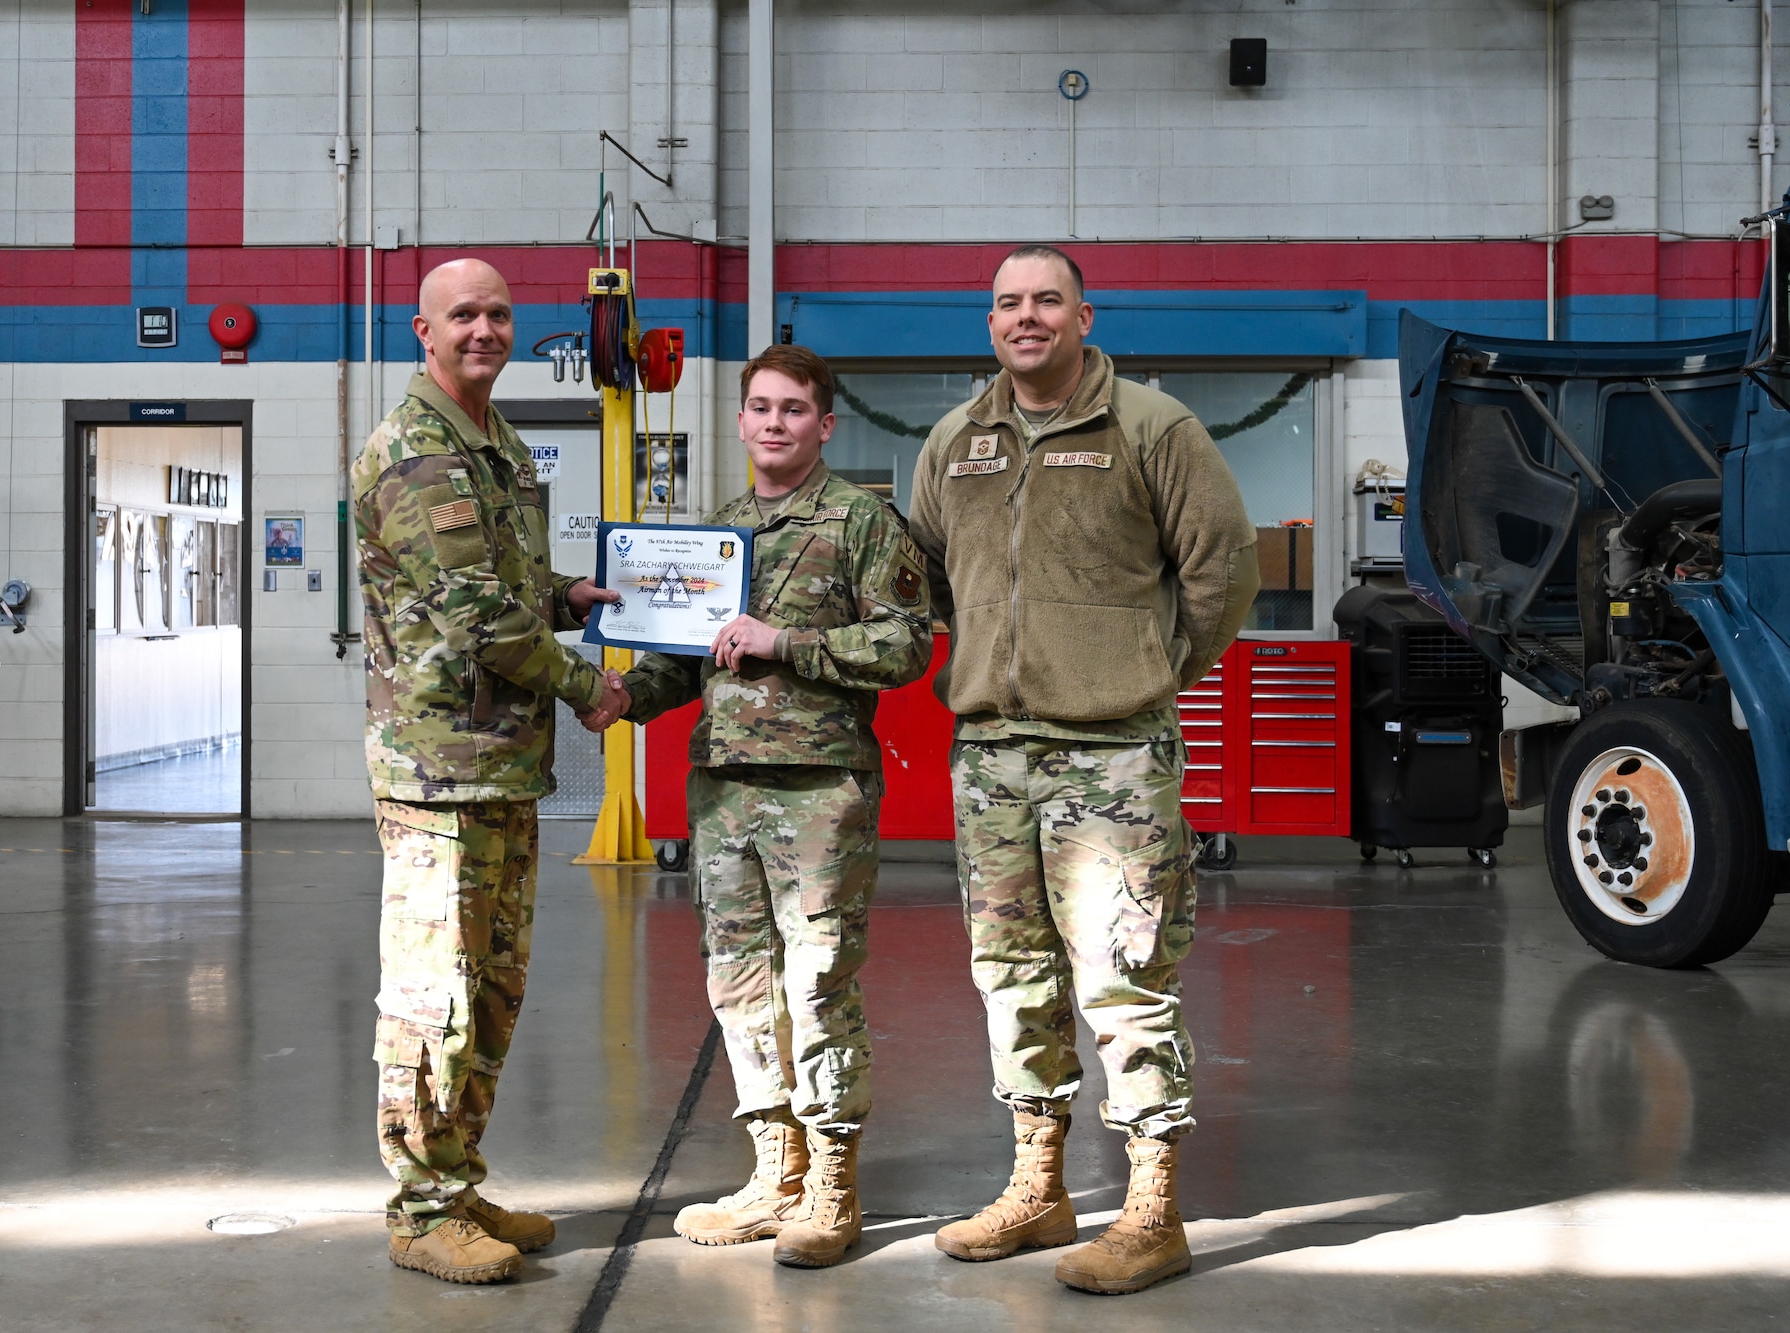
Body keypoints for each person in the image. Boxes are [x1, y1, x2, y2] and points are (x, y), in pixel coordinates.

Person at [909, 245, 1259, 1295]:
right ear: (990, 323)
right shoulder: (951, 441)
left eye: (1044, 299)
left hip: (1110, 754)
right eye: (1006, 303)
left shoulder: (1150, 428)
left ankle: (1151, 1209)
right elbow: (926, 570)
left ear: (1081, 315)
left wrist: (1146, 674)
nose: (1025, 317)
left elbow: (1222, 570)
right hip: (989, 755)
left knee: (1123, 978)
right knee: (1010, 979)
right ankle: (1038, 1188)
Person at [613, 344, 932, 1268]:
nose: (775, 422)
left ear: (823, 424)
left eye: (794, 409)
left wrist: (785, 641)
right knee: (740, 987)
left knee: (819, 982)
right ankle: (773, 1172)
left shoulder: (863, 522)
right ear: (743, 420)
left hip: (819, 791)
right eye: (760, 407)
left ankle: (833, 1181)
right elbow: (681, 658)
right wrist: (617, 696)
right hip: (723, 792)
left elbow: (907, 646)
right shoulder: (716, 534)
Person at [352, 257, 629, 1286]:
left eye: (499, 313)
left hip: (498, 768)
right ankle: (420, 1209)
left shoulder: (493, 444)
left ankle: (456, 1181)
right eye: (461, 314)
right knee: (436, 996)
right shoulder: (416, 453)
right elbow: (469, 614)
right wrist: (581, 682)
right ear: (421, 330)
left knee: (494, 986)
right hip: (437, 774)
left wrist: (570, 595)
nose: (484, 329)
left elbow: (495, 586)